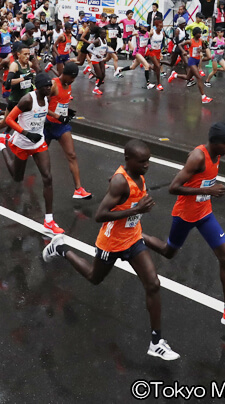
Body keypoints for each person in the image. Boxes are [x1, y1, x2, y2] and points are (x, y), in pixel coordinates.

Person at [41, 139, 177, 360]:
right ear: (128, 160)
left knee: (153, 284)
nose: (147, 165)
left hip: (133, 239)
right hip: (111, 243)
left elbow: (128, 202)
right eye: (142, 161)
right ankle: (61, 248)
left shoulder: (137, 175)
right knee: (94, 277)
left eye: (148, 161)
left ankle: (156, 342)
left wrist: (137, 213)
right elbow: (100, 216)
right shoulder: (119, 183)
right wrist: (137, 208)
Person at [143, 123, 225, 329]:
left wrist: (207, 193)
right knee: (168, 252)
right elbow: (173, 188)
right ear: (214, 143)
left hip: (204, 214)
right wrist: (210, 190)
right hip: (185, 216)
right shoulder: (198, 157)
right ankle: (137, 236)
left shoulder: (216, 154)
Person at [0, 72, 63, 235]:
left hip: (38, 142)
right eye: (46, 86)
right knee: (17, 177)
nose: (49, 88)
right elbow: (9, 120)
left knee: (48, 177)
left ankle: (49, 220)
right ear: (39, 87)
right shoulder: (27, 99)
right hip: (22, 142)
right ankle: (1, 145)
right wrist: (26, 133)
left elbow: (43, 112)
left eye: (50, 85)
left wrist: (59, 116)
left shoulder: (46, 98)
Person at [43, 62, 91, 200]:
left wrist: (66, 111)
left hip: (61, 127)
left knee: (72, 155)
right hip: (46, 125)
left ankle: (78, 189)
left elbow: (60, 102)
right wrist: (57, 115)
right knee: (40, 157)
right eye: (72, 78)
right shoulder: (52, 85)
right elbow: (40, 105)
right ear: (66, 74)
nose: (73, 81)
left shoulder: (67, 85)